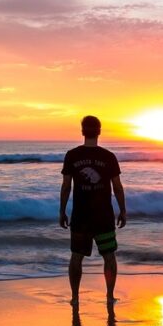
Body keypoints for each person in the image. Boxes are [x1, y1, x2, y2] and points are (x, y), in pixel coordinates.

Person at [59, 115, 126, 311]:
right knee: (109, 256)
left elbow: (65, 187)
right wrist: (123, 211)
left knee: (76, 257)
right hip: (103, 216)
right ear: (99, 131)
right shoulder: (108, 157)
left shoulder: (72, 155)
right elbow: (118, 188)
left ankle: (75, 298)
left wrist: (62, 211)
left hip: (81, 216)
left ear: (82, 131)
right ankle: (110, 296)